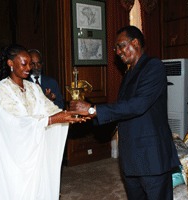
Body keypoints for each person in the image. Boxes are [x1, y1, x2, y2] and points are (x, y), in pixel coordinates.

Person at [70, 26, 180, 200]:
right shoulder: (128, 74)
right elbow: (122, 110)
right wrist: (90, 115)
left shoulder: (153, 66)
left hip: (152, 157)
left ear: (135, 43)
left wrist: (93, 110)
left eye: (120, 46)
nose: (118, 52)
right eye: (116, 49)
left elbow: (137, 105)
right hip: (130, 158)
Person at [0, 44, 87, 200]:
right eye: (24, 63)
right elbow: (15, 122)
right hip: (14, 156)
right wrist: (53, 119)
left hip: (36, 150)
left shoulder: (33, 88)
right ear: (10, 63)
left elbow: (50, 109)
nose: (29, 67)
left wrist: (72, 115)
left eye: (31, 63)